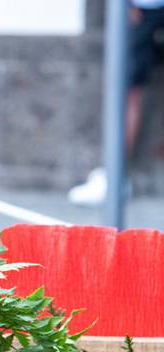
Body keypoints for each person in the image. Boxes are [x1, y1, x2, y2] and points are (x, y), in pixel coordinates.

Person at [70, 0, 164, 206]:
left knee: (129, 92)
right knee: (128, 91)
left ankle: (114, 176)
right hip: (143, 9)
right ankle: (114, 176)